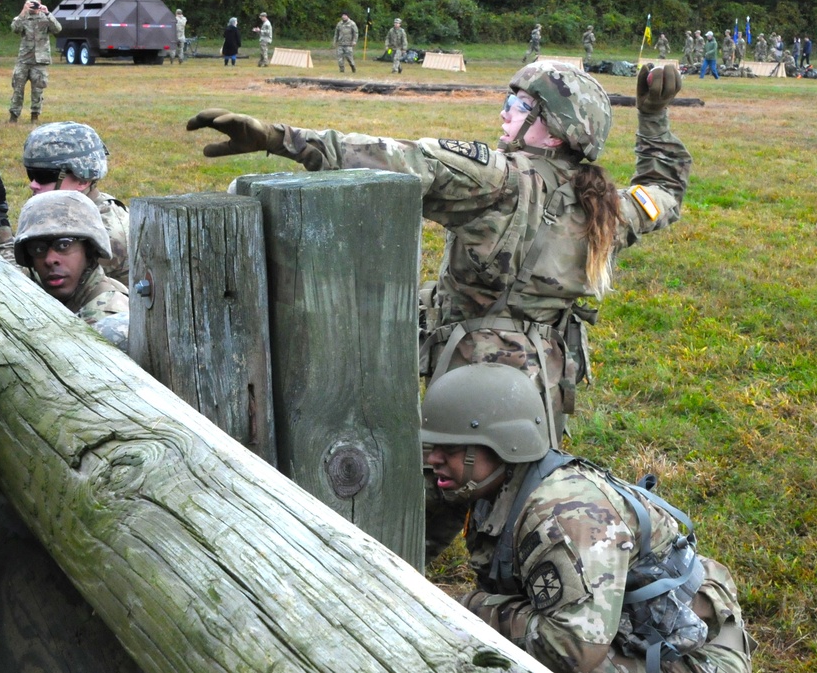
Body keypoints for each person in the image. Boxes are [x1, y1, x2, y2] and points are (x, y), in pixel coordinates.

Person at [186, 61, 691, 447]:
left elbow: (397, 157)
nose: (504, 112)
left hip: (468, 374)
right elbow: (663, 186)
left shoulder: (499, 178)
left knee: (435, 496)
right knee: (512, 495)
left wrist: (282, 139)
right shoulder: (610, 209)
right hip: (544, 379)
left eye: (518, 106)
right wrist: (653, 116)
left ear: (551, 129)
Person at [421, 363, 755, 673]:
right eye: (434, 446)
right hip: (631, 632)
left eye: (450, 449)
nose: (434, 459)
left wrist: (476, 609)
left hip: (690, 654)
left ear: (502, 445)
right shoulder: (498, 486)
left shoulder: (561, 519)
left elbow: (574, 649)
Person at [9, 121, 129, 285]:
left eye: (44, 176)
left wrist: (0, 233)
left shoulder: (106, 232)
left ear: (82, 180)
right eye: (31, 174)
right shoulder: (69, 210)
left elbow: (22, 284)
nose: (33, 184)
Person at [13, 190, 129, 349]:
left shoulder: (106, 321)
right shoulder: (33, 288)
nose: (50, 260)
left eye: (64, 245)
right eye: (38, 249)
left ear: (89, 250)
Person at [9, 0, 61, 124]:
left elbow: (58, 29)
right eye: (30, 2)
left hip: (40, 61)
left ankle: (35, 116)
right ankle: (14, 116)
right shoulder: (22, 17)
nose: (33, 5)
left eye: (35, 2)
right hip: (24, 60)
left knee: (38, 90)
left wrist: (48, 13)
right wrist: (23, 12)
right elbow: (15, 29)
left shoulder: (45, 17)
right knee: (17, 89)